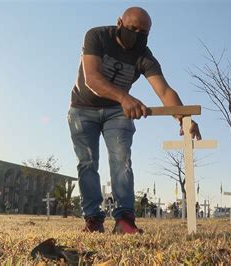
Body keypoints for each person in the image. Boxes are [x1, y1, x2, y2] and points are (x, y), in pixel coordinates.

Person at [68, 6, 201, 234]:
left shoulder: (144, 56)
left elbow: (165, 90)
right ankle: (93, 220)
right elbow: (92, 78)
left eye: (144, 32)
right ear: (119, 22)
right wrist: (123, 96)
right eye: (132, 28)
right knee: (87, 163)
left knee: (121, 161)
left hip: (118, 111)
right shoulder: (97, 36)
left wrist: (182, 116)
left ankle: (124, 220)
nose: (137, 35)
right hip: (83, 108)